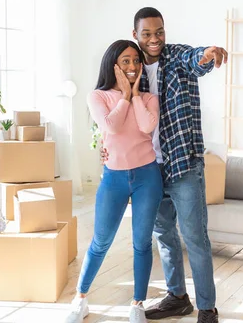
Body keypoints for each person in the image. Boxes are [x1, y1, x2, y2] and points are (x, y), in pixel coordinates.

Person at [102, 7, 227, 323]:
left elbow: (195, 60)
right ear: (136, 35)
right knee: (165, 237)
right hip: (148, 169)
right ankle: (177, 298)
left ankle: (207, 308)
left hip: (183, 164)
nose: (154, 39)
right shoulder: (131, 70)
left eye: (159, 32)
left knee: (195, 237)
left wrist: (208, 55)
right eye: (147, 34)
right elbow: (112, 114)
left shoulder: (177, 57)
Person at [65, 39, 164, 323]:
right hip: (114, 178)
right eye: (125, 61)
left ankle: (137, 304)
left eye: (136, 60)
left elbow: (146, 126)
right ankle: (80, 299)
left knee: (142, 243)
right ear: (114, 66)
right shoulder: (97, 96)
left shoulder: (148, 98)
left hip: (147, 176)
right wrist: (124, 96)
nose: (132, 66)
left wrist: (134, 95)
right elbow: (111, 125)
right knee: (100, 241)